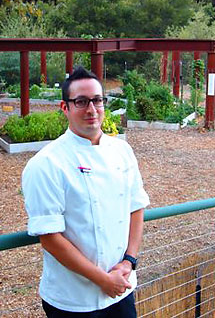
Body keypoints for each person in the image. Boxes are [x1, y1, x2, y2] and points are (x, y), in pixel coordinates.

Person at [22, 66, 150, 317]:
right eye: (81, 102)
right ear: (64, 107)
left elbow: (136, 206)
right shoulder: (46, 163)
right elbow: (50, 237)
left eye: (97, 100)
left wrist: (129, 261)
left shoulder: (122, 151)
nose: (91, 110)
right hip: (72, 299)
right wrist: (102, 279)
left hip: (121, 287)